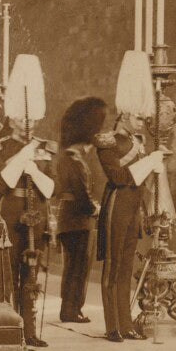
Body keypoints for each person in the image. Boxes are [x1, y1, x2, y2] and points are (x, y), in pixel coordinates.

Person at [95, 50, 163, 342]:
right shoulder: (107, 140)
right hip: (116, 205)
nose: (140, 123)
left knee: (126, 266)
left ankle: (126, 323)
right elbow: (119, 177)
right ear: (123, 113)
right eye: (136, 117)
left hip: (133, 207)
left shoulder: (139, 141)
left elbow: (142, 183)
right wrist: (146, 158)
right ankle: (112, 325)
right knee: (112, 266)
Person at [0, 54, 56, 348]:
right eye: (23, 117)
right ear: (13, 116)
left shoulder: (45, 147)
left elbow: (51, 187)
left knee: (31, 274)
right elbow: (0, 183)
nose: (28, 123)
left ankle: (29, 329)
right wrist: (22, 158)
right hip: (11, 210)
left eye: (32, 118)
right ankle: (8, 327)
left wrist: (33, 167)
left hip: (37, 212)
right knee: (8, 270)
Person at [56, 96, 108, 323]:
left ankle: (70, 309)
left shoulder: (68, 158)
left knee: (73, 268)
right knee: (78, 269)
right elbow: (80, 195)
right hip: (77, 222)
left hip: (71, 221)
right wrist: (94, 208)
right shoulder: (73, 160)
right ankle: (72, 309)